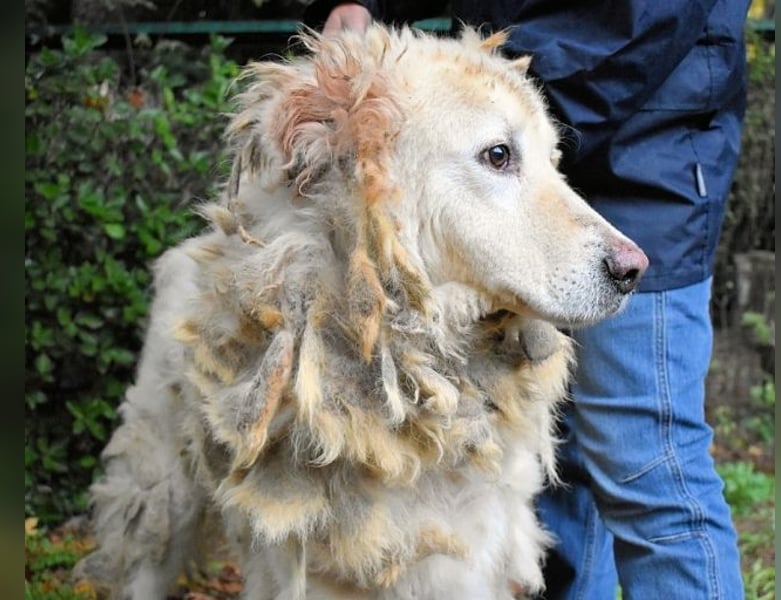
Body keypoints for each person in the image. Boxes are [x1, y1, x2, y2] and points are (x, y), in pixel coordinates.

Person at [306, 1, 751, 598]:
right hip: (499, 155)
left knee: (649, 469)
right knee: (554, 477)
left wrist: (487, 100)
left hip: (643, 163)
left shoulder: (488, 112)